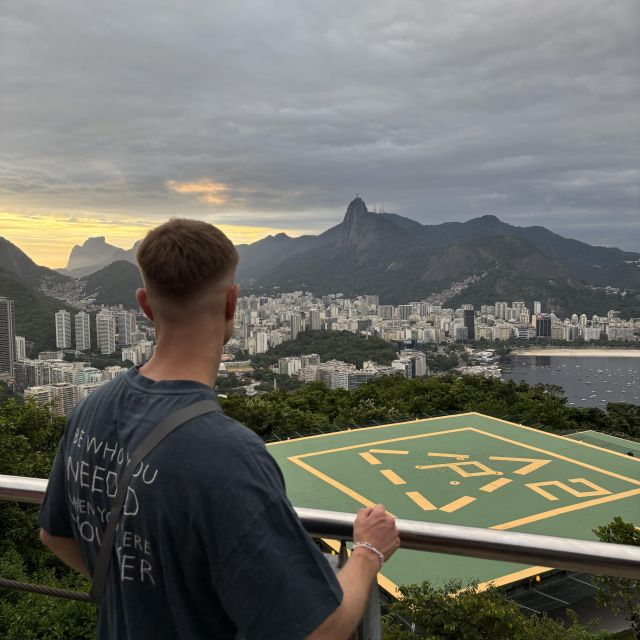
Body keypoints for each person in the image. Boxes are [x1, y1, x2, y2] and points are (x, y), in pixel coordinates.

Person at [39, 218, 400, 639]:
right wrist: (368, 553)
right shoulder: (229, 455)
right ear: (232, 304)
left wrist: (142, 591)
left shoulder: (90, 409)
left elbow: (54, 534)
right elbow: (318, 630)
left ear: (144, 305)